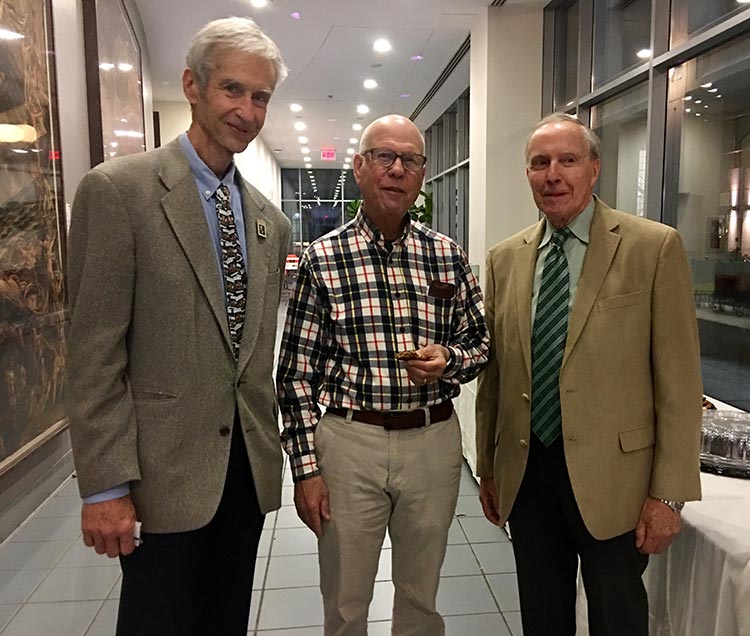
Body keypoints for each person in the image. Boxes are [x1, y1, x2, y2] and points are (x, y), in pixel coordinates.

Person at [66, 17, 290, 636]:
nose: (247, 111)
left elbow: (251, 355)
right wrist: (104, 486)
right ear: (192, 85)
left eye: (261, 96)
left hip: (244, 475)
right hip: (159, 477)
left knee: (226, 622)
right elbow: (93, 354)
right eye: (232, 89)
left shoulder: (270, 222)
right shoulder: (120, 192)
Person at [475, 113, 703, 636]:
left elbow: (679, 383)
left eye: (567, 160)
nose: (552, 174)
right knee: (542, 613)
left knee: (617, 615)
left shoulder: (653, 248)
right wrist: (489, 466)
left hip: (616, 482)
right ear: (528, 173)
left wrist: (669, 495)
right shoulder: (505, 259)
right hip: (530, 475)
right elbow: (497, 376)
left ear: (594, 168)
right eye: (539, 163)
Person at [277, 114, 490, 636]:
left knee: (421, 597)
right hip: (350, 443)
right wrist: (306, 469)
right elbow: (295, 375)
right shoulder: (322, 259)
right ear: (358, 167)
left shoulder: (448, 257)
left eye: (410, 160)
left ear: (422, 175)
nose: (396, 169)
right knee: (347, 601)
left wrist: (449, 361)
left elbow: (482, 343)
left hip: (432, 441)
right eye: (383, 157)